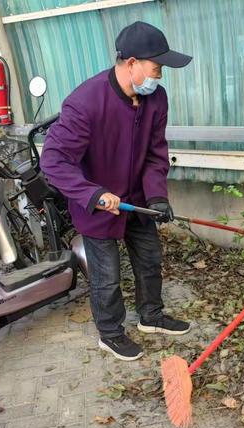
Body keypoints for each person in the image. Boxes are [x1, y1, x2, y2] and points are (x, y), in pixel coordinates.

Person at [41, 21, 193, 361]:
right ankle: (110, 333)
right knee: (107, 276)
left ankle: (151, 316)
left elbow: (156, 151)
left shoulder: (156, 99)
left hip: (136, 200)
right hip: (96, 203)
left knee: (150, 260)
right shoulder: (86, 102)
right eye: (157, 68)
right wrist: (93, 195)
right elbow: (53, 161)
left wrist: (156, 195)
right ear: (132, 63)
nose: (161, 76)